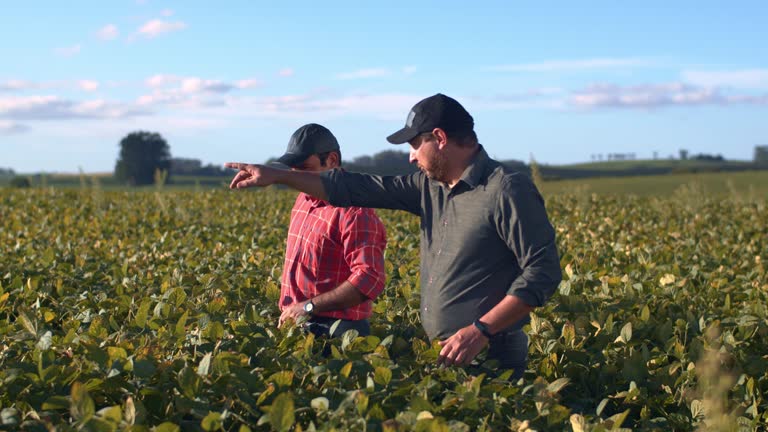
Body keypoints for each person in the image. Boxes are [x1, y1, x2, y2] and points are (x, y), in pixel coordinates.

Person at [227, 95, 561, 377]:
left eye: (416, 144)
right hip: (443, 355)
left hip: (489, 353)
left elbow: (542, 273)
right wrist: (278, 176)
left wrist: (481, 330)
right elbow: (354, 187)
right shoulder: (429, 187)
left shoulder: (506, 189)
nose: (411, 156)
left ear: (440, 138)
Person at [267, 123, 387, 338]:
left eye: (304, 168)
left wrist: (308, 307)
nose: (296, 176)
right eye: (293, 169)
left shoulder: (354, 211)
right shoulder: (303, 200)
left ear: (331, 160)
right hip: (296, 322)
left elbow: (370, 278)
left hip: (338, 329)